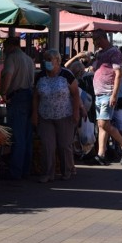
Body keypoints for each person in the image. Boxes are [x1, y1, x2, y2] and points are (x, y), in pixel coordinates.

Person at [32, 49, 81, 183]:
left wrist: (76, 112)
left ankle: (67, 171)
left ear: (58, 61)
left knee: (64, 145)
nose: (46, 62)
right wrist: (35, 113)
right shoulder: (40, 76)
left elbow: (75, 94)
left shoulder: (67, 75)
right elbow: (35, 97)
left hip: (65, 115)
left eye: (49, 59)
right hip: (45, 116)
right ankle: (47, 173)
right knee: (47, 146)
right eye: (45, 59)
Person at [91, 29, 122, 165]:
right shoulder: (100, 53)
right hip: (99, 93)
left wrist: (114, 94)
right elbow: (94, 69)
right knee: (102, 125)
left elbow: (118, 74)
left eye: (94, 39)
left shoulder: (114, 52)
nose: (93, 41)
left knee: (104, 123)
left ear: (101, 38)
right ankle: (101, 154)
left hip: (107, 93)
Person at [0, 37, 35, 180]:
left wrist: (3, 91)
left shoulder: (11, 58)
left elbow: (8, 75)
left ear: (10, 46)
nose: (3, 50)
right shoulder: (28, 59)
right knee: (26, 135)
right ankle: (25, 169)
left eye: (4, 46)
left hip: (17, 97)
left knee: (18, 136)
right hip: (28, 96)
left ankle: (15, 172)